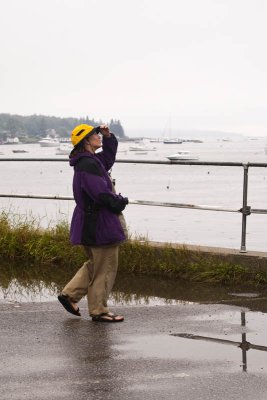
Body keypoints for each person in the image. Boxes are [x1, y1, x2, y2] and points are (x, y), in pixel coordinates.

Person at [58, 124, 128, 322]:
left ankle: (70, 295)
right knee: (105, 266)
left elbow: (108, 158)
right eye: (94, 135)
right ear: (86, 141)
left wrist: (109, 137)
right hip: (99, 223)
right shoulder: (88, 164)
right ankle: (99, 310)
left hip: (91, 221)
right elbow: (99, 193)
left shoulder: (90, 161)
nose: (98, 136)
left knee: (95, 264)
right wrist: (119, 202)